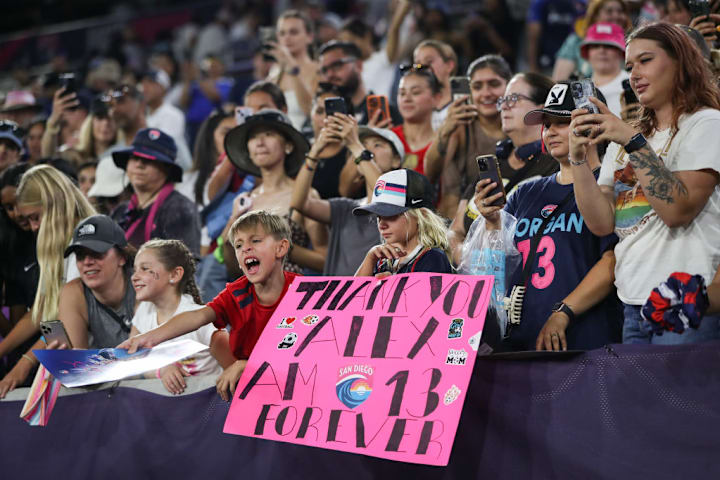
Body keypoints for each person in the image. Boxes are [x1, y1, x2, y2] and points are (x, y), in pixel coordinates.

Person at [569, 22, 720, 344]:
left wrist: (633, 142)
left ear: (680, 61)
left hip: (686, 301)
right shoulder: (625, 135)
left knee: (681, 395)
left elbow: (677, 211)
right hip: (632, 301)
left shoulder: (707, 124)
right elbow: (602, 223)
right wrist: (578, 159)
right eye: (629, 66)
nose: (634, 74)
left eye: (645, 60)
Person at [468, 81, 621, 351]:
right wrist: (492, 223)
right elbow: (495, 268)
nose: (550, 131)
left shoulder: (610, 186)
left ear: (592, 124)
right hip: (521, 340)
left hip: (584, 337)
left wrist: (564, 312)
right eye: (547, 124)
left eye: (561, 122)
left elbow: (612, 262)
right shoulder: (524, 193)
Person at [118, 210, 298, 402]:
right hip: (256, 396)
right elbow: (198, 316)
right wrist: (147, 338)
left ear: (281, 248)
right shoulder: (236, 293)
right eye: (238, 245)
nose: (245, 248)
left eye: (255, 241)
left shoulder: (306, 293)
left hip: (294, 389)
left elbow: (308, 356)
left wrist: (246, 365)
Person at [0, 165, 95, 398]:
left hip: (94, 363)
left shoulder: (86, 248)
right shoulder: (57, 249)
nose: (33, 227)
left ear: (54, 204)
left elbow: (62, 322)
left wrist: (25, 362)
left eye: (35, 217)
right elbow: (44, 312)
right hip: (71, 361)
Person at [448, 72, 558, 263]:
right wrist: (467, 257)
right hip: (474, 277)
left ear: (541, 109)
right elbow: (455, 230)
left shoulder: (555, 165)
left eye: (514, 98)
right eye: (504, 100)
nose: (505, 106)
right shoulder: (494, 164)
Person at [292, 114, 404, 276]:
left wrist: (355, 144)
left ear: (396, 160)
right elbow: (299, 203)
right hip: (337, 298)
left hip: (376, 297)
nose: (367, 150)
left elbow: (384, 193)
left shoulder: (403, 209)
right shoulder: (345, 208)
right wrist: (314, 152)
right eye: (363, 145)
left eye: (377, 145)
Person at [222, 109, 327, 275]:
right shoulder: (244, 201)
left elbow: (324, 260)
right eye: (253, 137)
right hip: (252, 296)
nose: (260, 142)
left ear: (288, 145)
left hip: (290, 294)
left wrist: (277, 246)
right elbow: (233, 269)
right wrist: (228, 238)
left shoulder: (305, 196)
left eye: (269, 134)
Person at [130, 239, 222, 395]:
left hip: (207, 406)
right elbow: (134, 358)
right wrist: (162, 370)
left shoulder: (200, 320)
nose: (134, 277)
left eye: (145, 269)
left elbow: (232, 365)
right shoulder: (144, 311)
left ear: (174, 274)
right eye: (135, 270)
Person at [425, 54, 512, 217]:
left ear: (509, 86)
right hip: (465, 221)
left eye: (494, 84)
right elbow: (431, 176)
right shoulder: (461, 128)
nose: (486, 93)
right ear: (470, 91)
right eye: (477, 86)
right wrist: (444, 131)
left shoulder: (521, 126)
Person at [110, 128, 202, 256]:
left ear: (167, 169)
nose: (139, 165)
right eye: (134, 158)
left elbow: (186, 266)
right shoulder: (120, 212)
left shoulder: (180, 209)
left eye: (148, 160)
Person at [354, 168, 452, 276]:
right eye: (379, 217)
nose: (382, 225)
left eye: (390, 215)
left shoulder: (433, 257)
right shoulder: (383, 261)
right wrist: (370, 259)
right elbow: (353, 292)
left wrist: (388, 286)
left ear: (421, 216)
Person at [58, 215, 137, 349]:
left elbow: (140, 356)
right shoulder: (74, 293)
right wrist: (63, 362)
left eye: (96, 252)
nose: (87, 262)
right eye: (80, 255)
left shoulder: (143, 284)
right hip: (103, 369)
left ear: (122, 257)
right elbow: (77, 362)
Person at [106, 84, 192, 172]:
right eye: (110, 105)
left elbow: (188, 176)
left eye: (120, 101)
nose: (114, 109)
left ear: (141, 104)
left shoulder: (168, 143)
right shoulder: (110, 155)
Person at [317, 40, 402, 127]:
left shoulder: (384, 112)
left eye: (337, 65)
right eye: (324, 70)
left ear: (359, 65)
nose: (329, 75)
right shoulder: (322, 115)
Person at [266, 10, 318, 130]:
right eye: (282, 33)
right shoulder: (275, 71)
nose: (287, 38)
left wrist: (293, 71)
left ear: (310, 37)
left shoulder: (318, 70)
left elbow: (311, 111)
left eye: (293, 32)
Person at [553, 0, 631, 81]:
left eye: (620, 11)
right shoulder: (576, 41)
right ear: (595, 16)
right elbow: (560, 81)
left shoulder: (633, 41)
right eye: (609, 11)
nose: (616, 16)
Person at [391, 65, 441, 177]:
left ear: (436, 99)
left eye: (415, 92)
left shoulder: (444, 143)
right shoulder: (389, 138)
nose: (406, 99)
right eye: (402, 93)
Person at [179, 55, 234, 148]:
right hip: (193, 126)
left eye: (215, 65)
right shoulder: (195, 83)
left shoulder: (226, 82)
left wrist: (198, 77)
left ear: (222, 66)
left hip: (212, 124)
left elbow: (216, 96)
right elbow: (183, 102)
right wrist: (188, 80)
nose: (211, 68)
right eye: (209, 65)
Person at [581, 23, 629, 117]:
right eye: (595, 46)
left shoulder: (634, 84)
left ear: (621, 52)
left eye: (609, 46)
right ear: (587, 53)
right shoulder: (578, 88)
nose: (601, 50)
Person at [526, 0, 584, 75]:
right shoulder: (540, 3)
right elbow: (533, 36)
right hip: (546, 61)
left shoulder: (581, 3)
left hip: (573, 61)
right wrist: (533, 67)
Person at [412, 39, 458, 131]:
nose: (423, 68)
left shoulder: (464, 101)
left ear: (449, 66)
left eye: (429, 62)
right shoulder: (414, 105)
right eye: (418, 65)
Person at [141, 69, 187, 149]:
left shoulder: (173, 114)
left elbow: (165, 146)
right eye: (144, 83)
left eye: (151, 83)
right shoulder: (142, 114)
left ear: (163, 88)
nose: (145, 88)